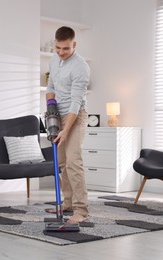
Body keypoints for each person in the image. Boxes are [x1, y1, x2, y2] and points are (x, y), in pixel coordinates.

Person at [45, 26, 90, 224]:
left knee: (73, 162)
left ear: (74, 45)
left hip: (76, 116)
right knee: (62, 162)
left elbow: (75, 102)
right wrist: (51, 110)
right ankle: (68, 203)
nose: (61, 53)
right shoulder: (54, 59)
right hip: (58, 115)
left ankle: (81, 210)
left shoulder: (81, 67)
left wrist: (65, 129)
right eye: (58, 48)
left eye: (66, 49)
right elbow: (51, 87)